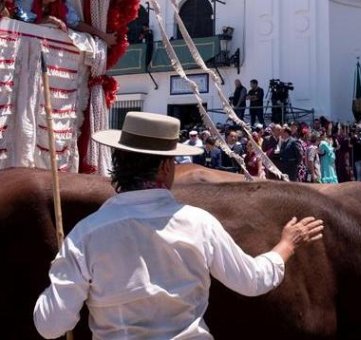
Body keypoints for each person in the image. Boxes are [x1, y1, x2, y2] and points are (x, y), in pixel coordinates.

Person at [33, 111, 324, 339]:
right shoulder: (198, 224)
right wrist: (286, 245)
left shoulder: (86, 235)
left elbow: (51, 325)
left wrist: (58, 276)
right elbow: (252, 281)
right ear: (165, 167)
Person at [15, 0, 117, 45]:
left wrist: (103, 36)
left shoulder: (61, 5)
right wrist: (48, 19)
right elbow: (21, 26)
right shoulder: (26, 2)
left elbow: (77, 24)